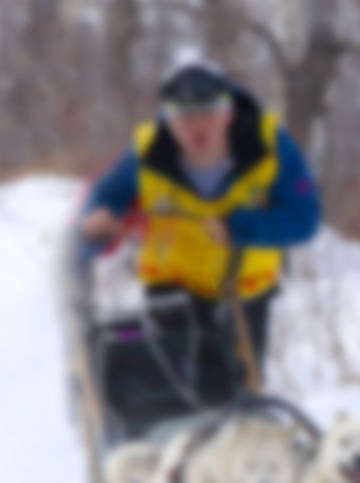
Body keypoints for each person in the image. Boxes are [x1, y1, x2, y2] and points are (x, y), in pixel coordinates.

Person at [82, 60, 320, 388]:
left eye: (208, 113)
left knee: (240, 401)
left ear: (228, 112)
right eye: (184, 116)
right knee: (175, 400)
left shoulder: (269, 143)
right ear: (168, 119)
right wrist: (100, 222)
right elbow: (105, 200)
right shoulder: (147, 149)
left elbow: (304, 220)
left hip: (244, 295)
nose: (197, 126)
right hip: (171, 294)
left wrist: (238, 227)